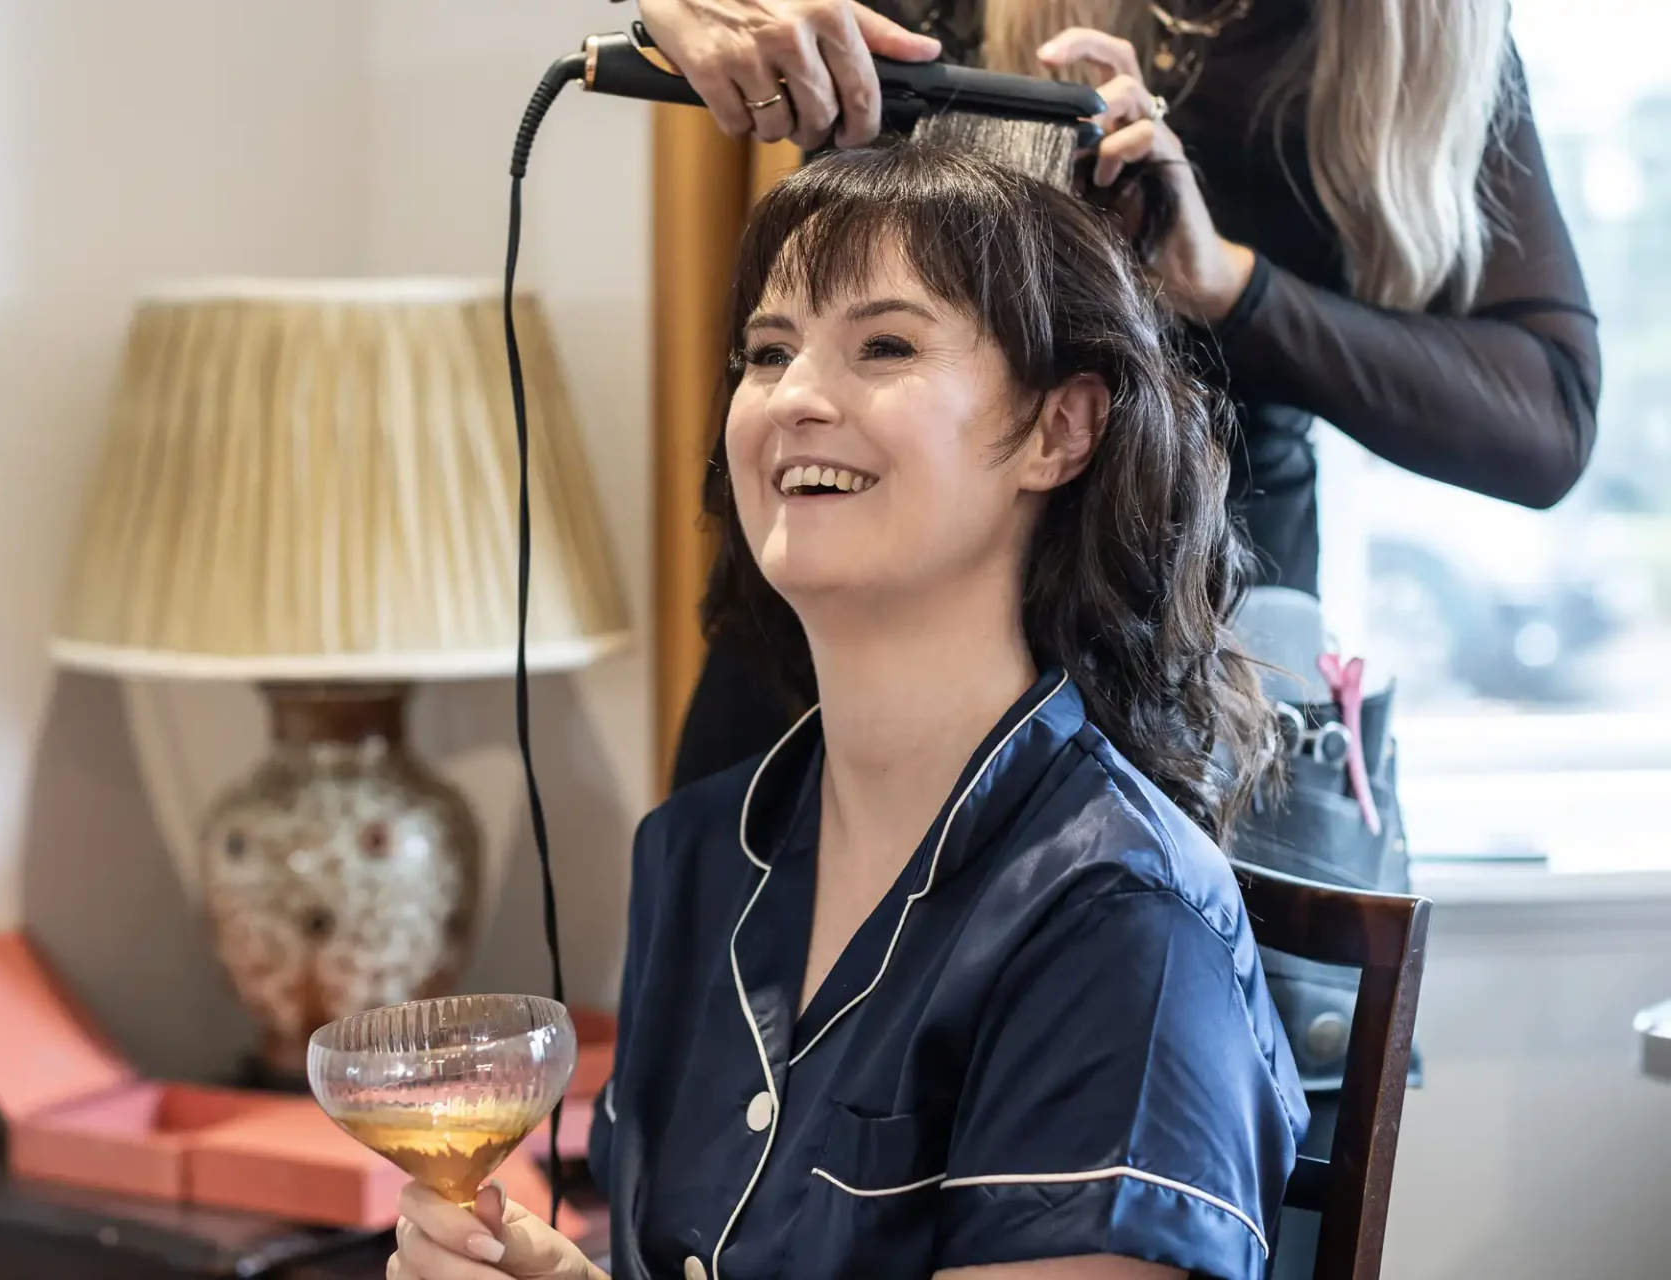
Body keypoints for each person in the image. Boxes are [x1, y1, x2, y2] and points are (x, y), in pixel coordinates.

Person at [388, 143, 1305, 1280]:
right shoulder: (696, 855)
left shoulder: (1121, 923)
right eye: (768, 352)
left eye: (885, 345)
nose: (797, 398)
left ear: (1059, 430)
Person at [637, 0, 1601, 791]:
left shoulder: (1423, 32)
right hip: (857, 644)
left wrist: (1230, 286)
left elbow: (1546, 415)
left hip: (1191, 669)